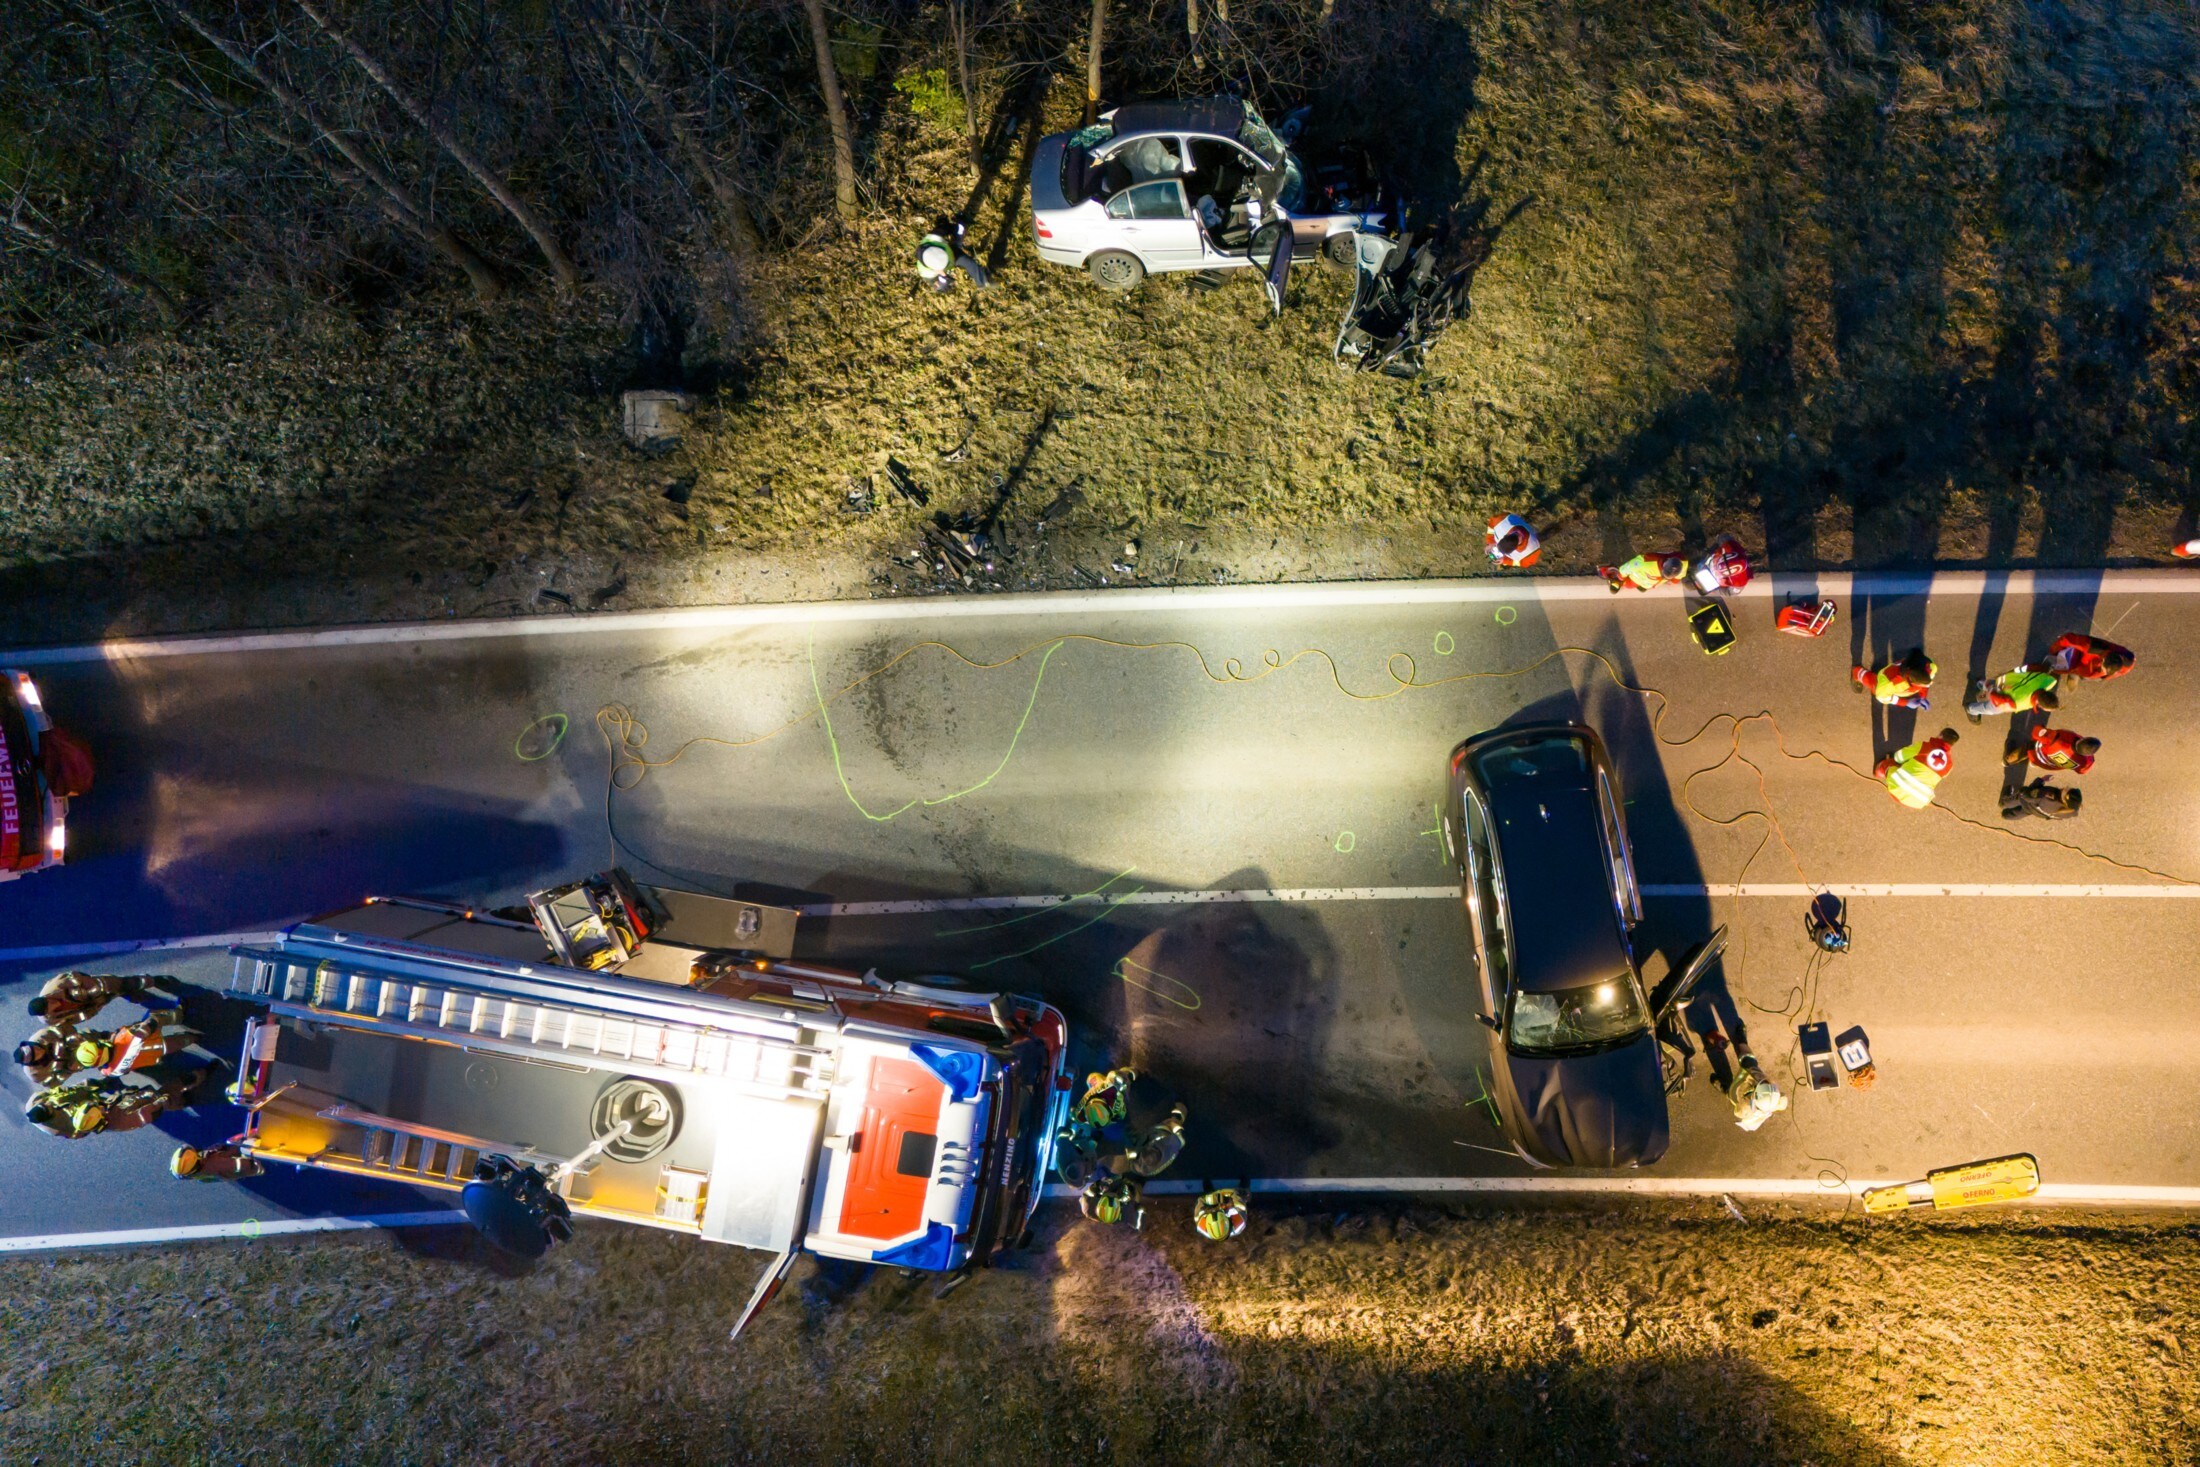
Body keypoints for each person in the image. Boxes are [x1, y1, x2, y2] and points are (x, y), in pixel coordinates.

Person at [70, 1014, 192, 1077]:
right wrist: (152, 1021)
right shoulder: (123, 1040)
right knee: (156, 1015)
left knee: (186, 1040)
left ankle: (191, 1038)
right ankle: (179, 1015)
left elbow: (124, 1071)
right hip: (154, 1042)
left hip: (154, 1055)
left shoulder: (109, 1072)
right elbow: (146, 1028)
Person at [26, 970, 162, 1027]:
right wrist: (94, 1009)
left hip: (89, 988)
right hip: (91, 1004)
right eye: (49, 1006)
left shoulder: (54, 987)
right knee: (116, 994)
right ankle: (130, 994)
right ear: (46, 1012)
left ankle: (151, 980)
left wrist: (96, 988)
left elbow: (76, 976)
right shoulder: (51, 1019)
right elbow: (75, 1019)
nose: (52, 1002)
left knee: (122, 984)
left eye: (48, 1000)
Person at [1874, 729, 1959, 809]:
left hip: (1896, 789)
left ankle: (1879, 772)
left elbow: (1898, 757)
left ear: (1941, 735)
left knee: (1891, 763)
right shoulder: (1949, 765)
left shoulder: (1924, 746)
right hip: (1918, 802)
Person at [914, 220, 990, 293]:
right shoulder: (927, 273)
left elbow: (945, 228)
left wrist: (955, 228)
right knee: (942, 287)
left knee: (969, 263)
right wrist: (943, 278)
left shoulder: (934, 238)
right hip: (939, 270)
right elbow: (937, 284)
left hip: (951, 253)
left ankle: (982, 282)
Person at [1965, 668, 2062, 723]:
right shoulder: (2020, 702)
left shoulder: (2048, 681)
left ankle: (1979, 684)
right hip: (2001, 693)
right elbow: (1999, 701)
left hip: (2007, 680)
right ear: (2040, 705)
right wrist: (1991, 691)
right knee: (1990, 709)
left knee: (1990, 683)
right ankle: (1971, 709)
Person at [1851, 649, 1937, 710]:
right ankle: (1857, 672)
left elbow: (1926, 683)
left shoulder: (1929, 667)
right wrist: (1905, 703)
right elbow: (1882, 696)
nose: (1930, 683)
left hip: (1898, 673)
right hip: (1885, 680)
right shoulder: (1895, 684)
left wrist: (1923, 696)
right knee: (1874, 685)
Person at [2031, 633, 2134, 682]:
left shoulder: (2128, 662)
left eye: (2104, 670)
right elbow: (2067, 639)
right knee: (2064, 666)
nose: (2102, 670)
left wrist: (2103, 676)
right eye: (2102, 667)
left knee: (2086, 676)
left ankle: (2076, 674)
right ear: (2103, 658)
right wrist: (2054, 651)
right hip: (2079, 657)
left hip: (2086, 670)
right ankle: (2065, 670)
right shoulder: (2090, 646)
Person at [2005, 726, 2099, 775]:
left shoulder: (2064, 737)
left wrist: (2041, 729)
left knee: (2026, 748)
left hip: (2038, 752)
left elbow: (2036, 733)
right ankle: (2033, 763)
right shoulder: (2087, 763)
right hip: (2050, 764)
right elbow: (2081, 771)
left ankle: (2007, 760)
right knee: (2038, 761)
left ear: (2083, 739)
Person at [14, 1024, 83, 1085]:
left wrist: (75, 1037)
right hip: (73, 1064)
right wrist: (69, 1070)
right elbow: (54, 1083)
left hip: (77, 1043)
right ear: (33, 1062)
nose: (38, 1050)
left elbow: (64, 1029)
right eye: (35, 1055)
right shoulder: (34, 1074)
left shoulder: (41, 1035)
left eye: (34, 1048)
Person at [1729, 1065, 1790, 1132]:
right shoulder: (1772, 1103)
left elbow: (1739, 1110)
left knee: (1730, 1088)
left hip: (1737, 1094)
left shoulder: (1746, 1107)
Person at [171, 1142, 265, 1182]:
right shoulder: (217, 1164)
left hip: (229, 1159)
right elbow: (246, 1165)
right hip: (255, 1160)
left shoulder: (192, 1172)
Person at [1598, 552, 1689, 593]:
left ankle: (1616, 581)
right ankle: (1642, 587)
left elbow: (1629, 567)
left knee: (1627, 584)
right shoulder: (1684, 564)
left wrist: (1621, 576)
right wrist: (1673, 582)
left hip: (1636, 577)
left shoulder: (1647, 560)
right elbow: (1677, 578)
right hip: (1651, 584)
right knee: (1630, 586)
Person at [1079, 1173, 1144, 1229]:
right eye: (1113, 1196)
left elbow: (1084, 1196)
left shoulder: (1088, 1207)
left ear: (1099, 1201)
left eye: (1109, 1195)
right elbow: (1141, 1223)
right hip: (1128, 1182)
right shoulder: (1126, 1214)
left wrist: (1098, 1185)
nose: (1112, 1194)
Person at [2002, 780, 2082, 821]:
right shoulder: (2071, 811)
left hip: (2030, 803)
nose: (2064, 788)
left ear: (2064, 799)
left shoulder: (2047, 796)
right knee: (2020, 813)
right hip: (2038, 812)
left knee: (2019, 799)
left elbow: (2027, 795)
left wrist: (2040, 780)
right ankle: (2006, 816)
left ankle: (2004, 802)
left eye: (2065, 790)